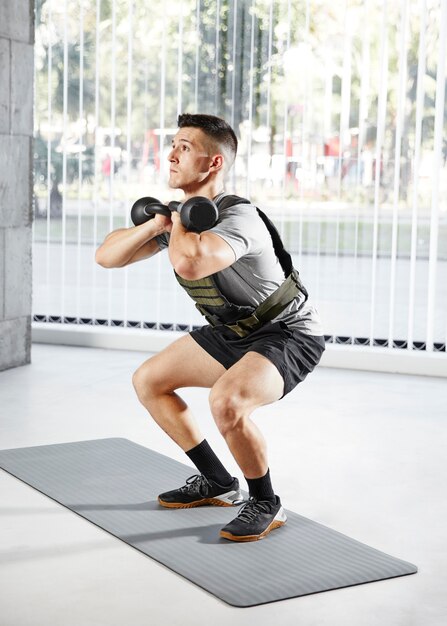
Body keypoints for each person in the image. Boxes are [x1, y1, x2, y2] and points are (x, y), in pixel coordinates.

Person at [95, 113, 325, 542]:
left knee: (227, 403)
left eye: (184, 146)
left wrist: (177, 222)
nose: (171, 154)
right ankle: (217, 482)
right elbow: (107, 256)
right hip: (232, 332)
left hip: (287, 334)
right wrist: (155, 223)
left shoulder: (240, 219)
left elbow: (191, 261)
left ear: (214, 163)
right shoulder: (180, 222)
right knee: (149, 381)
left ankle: (266, 501)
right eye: (173, 144)